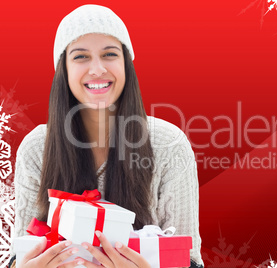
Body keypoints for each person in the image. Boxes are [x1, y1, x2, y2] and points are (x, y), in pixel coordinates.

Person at [10, 4, 203, 268]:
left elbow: (189, 260)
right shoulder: (36, 148)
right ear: (63, 70)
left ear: (126, 64)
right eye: (80, 57)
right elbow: (18, 254)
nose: (97, 69)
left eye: (109, 54)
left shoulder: (169, 145)